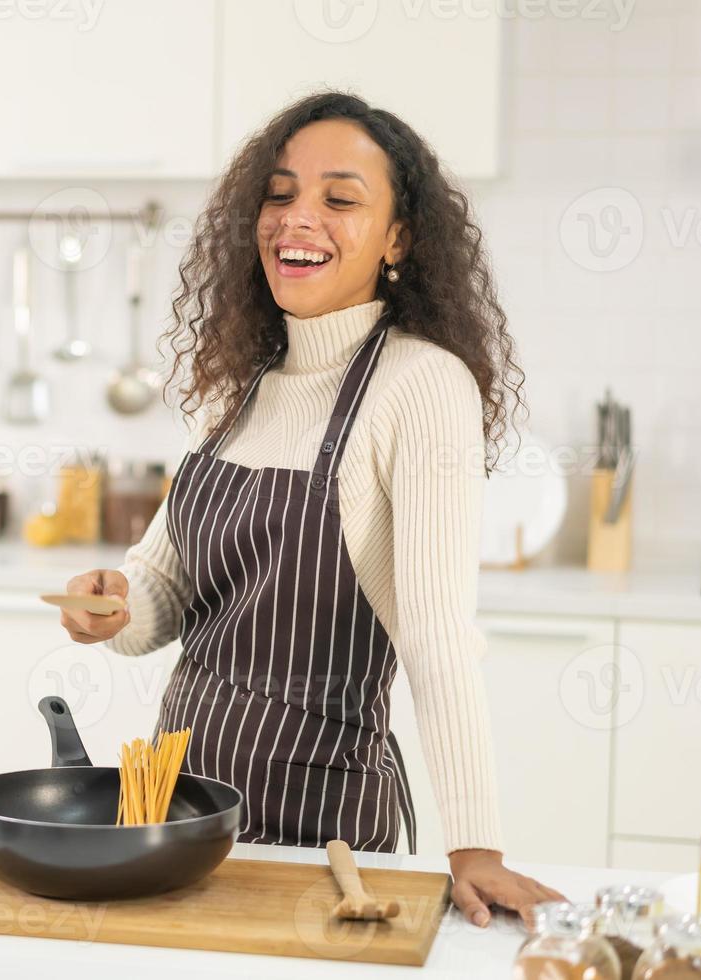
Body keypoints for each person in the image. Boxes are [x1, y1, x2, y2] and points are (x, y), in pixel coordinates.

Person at [58, 91, 561, 927]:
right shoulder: (237, 384)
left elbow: (437, 632)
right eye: (281, 193)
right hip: (179, 816)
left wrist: (476, 847)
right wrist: (113, 605)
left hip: (325, 835)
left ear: (399, 238)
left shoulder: (422, 385)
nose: (298, 218)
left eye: (340, 199)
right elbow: (165, 585)